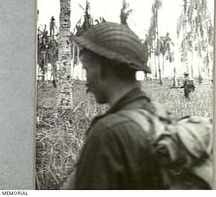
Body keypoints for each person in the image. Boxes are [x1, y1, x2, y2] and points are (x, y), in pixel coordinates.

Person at [65, 22, 163, 189]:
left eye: (87, 69)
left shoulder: (108, 132)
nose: (86, 82)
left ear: (102, 68)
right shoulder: (159, 115)